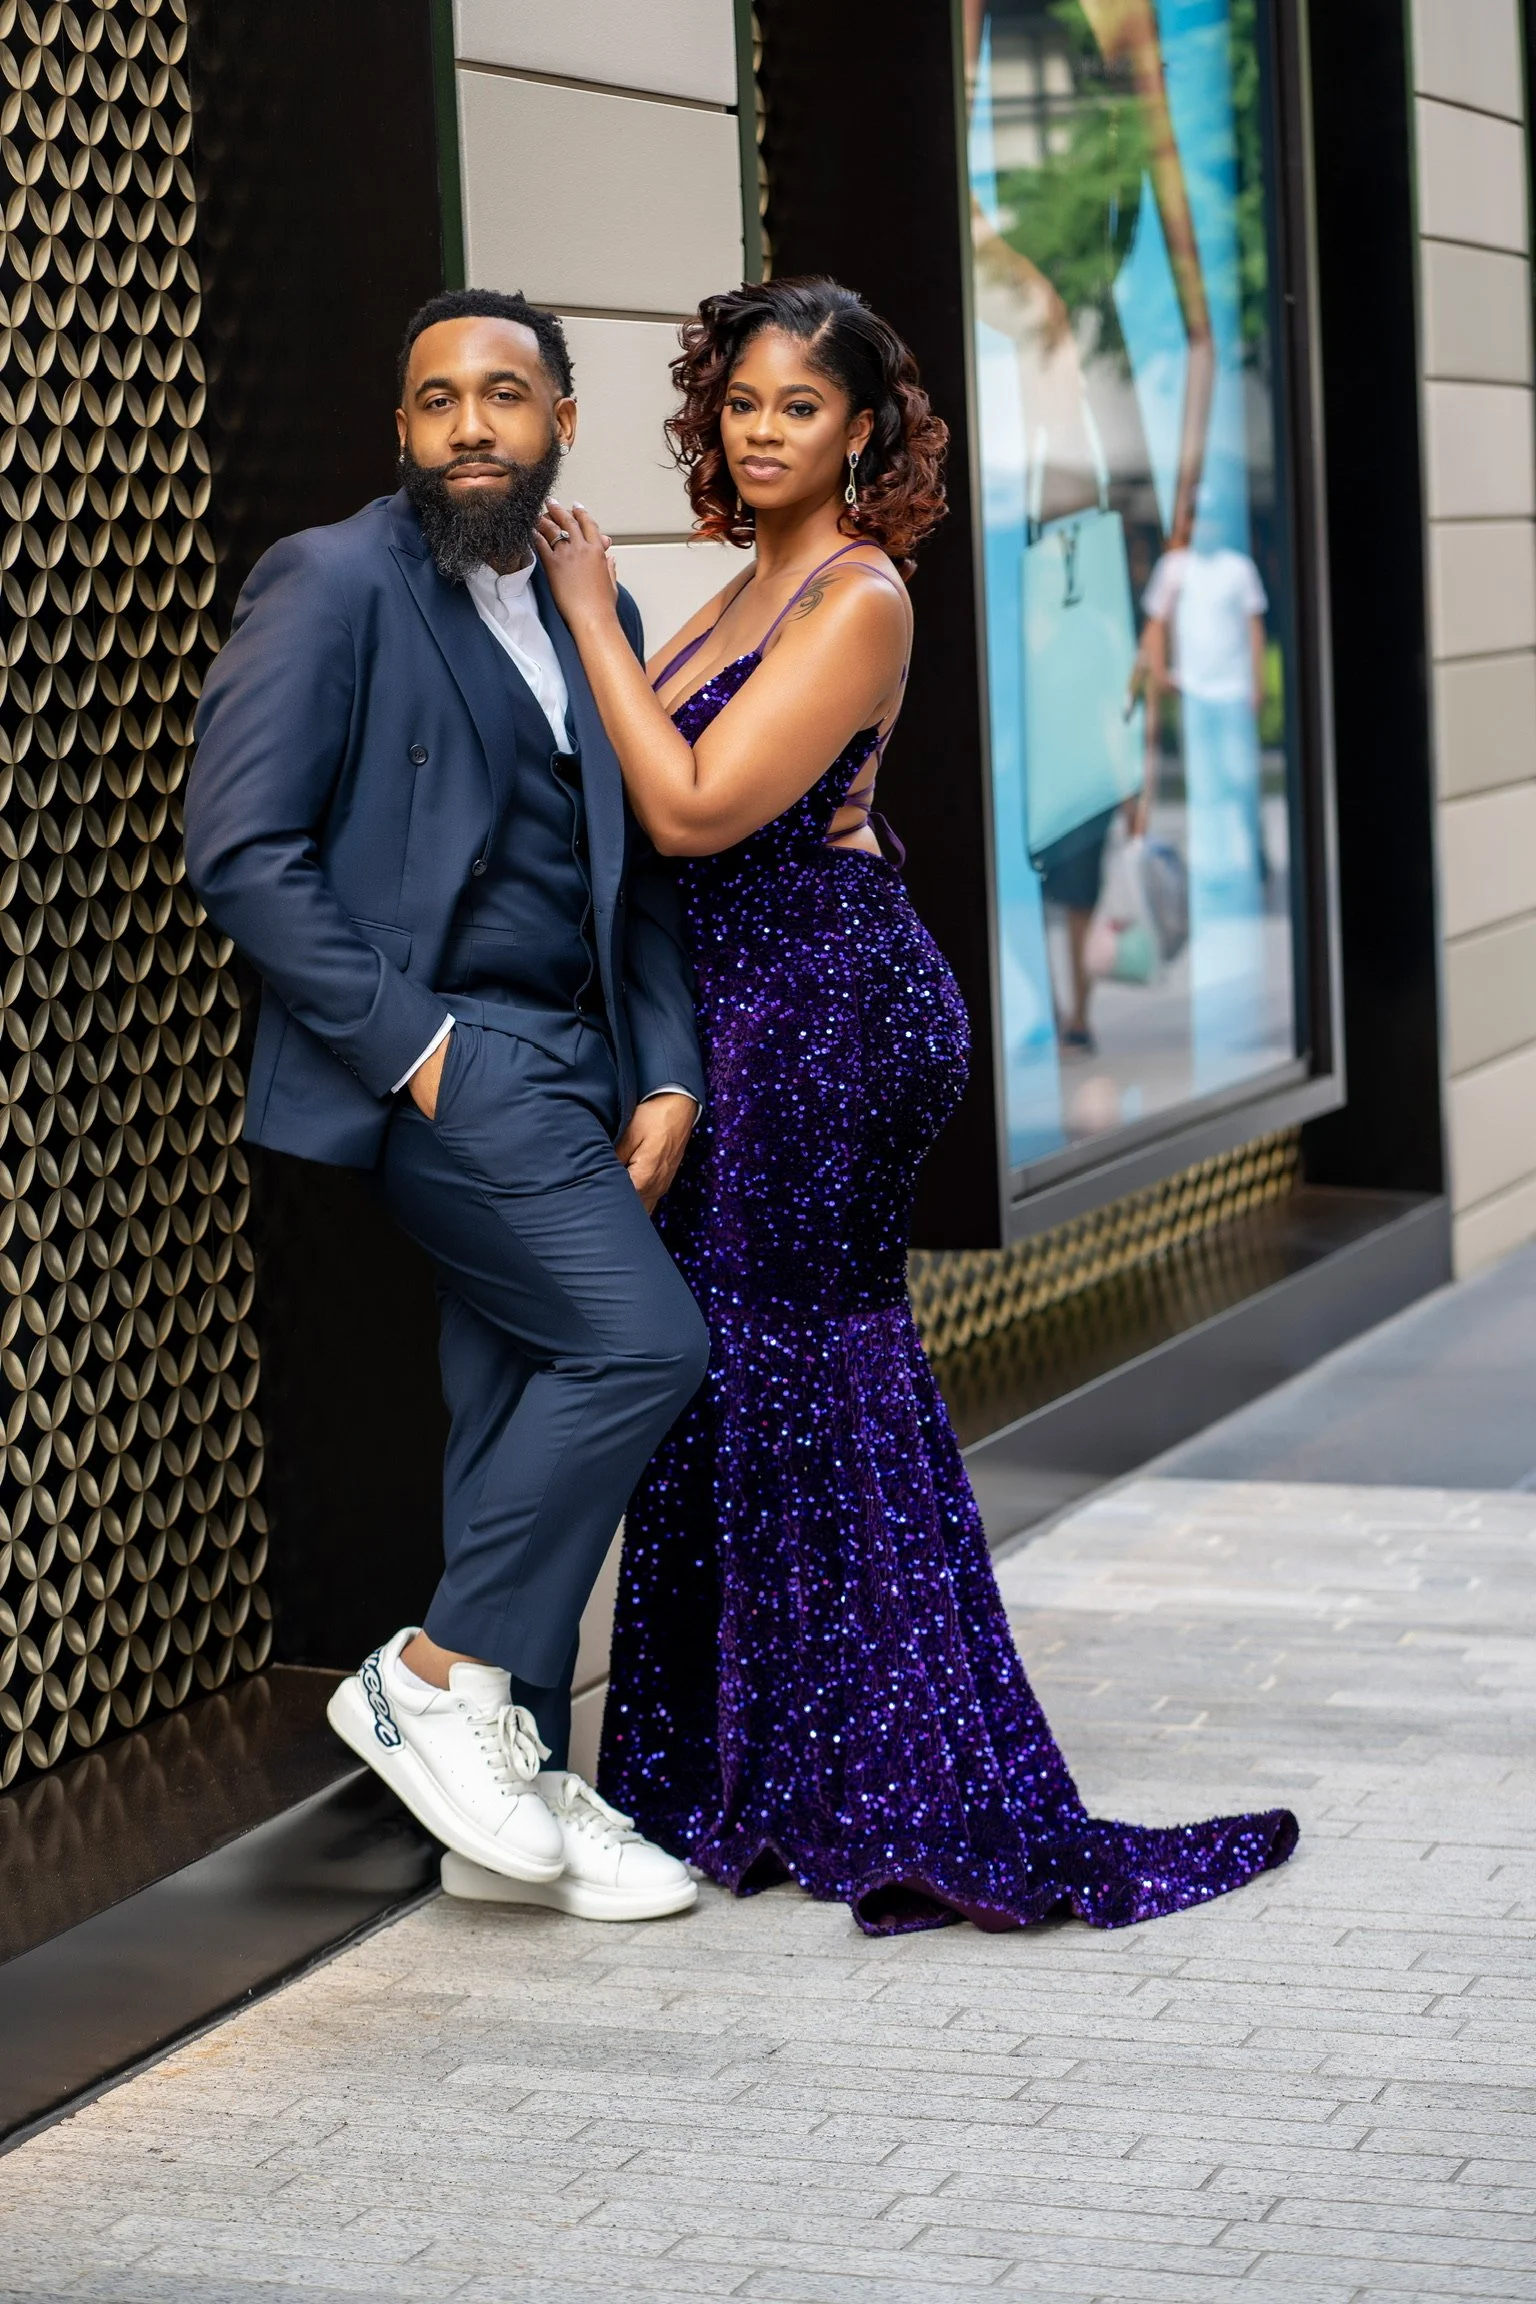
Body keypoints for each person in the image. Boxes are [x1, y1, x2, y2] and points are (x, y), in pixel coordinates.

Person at [497, 274, 1298, 1936]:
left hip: (828, 1025)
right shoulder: (734, 592)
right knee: (724, 1368)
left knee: (794, 1362)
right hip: (744, 1014)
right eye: (743, 404)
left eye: (803, 407)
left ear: (865, 431)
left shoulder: (860, 596)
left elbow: (701, 809)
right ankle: (747, 1772)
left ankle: (885, 1774)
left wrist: (589, 615)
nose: (767, 432)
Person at [184, 288, 709, 1924]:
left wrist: (670, 1062)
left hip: (583, 1066)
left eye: (505, 393)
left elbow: (628, 879)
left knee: (517, 1420)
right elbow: (241, 845)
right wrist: (419, 1050)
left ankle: (514, 1799)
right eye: (436, 400)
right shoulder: (336, 580)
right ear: (401, 434)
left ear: (562, 418)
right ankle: (428, 1672)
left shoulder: (584, 604)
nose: (470, 422)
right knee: (643, 1346)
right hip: (450, 1065)